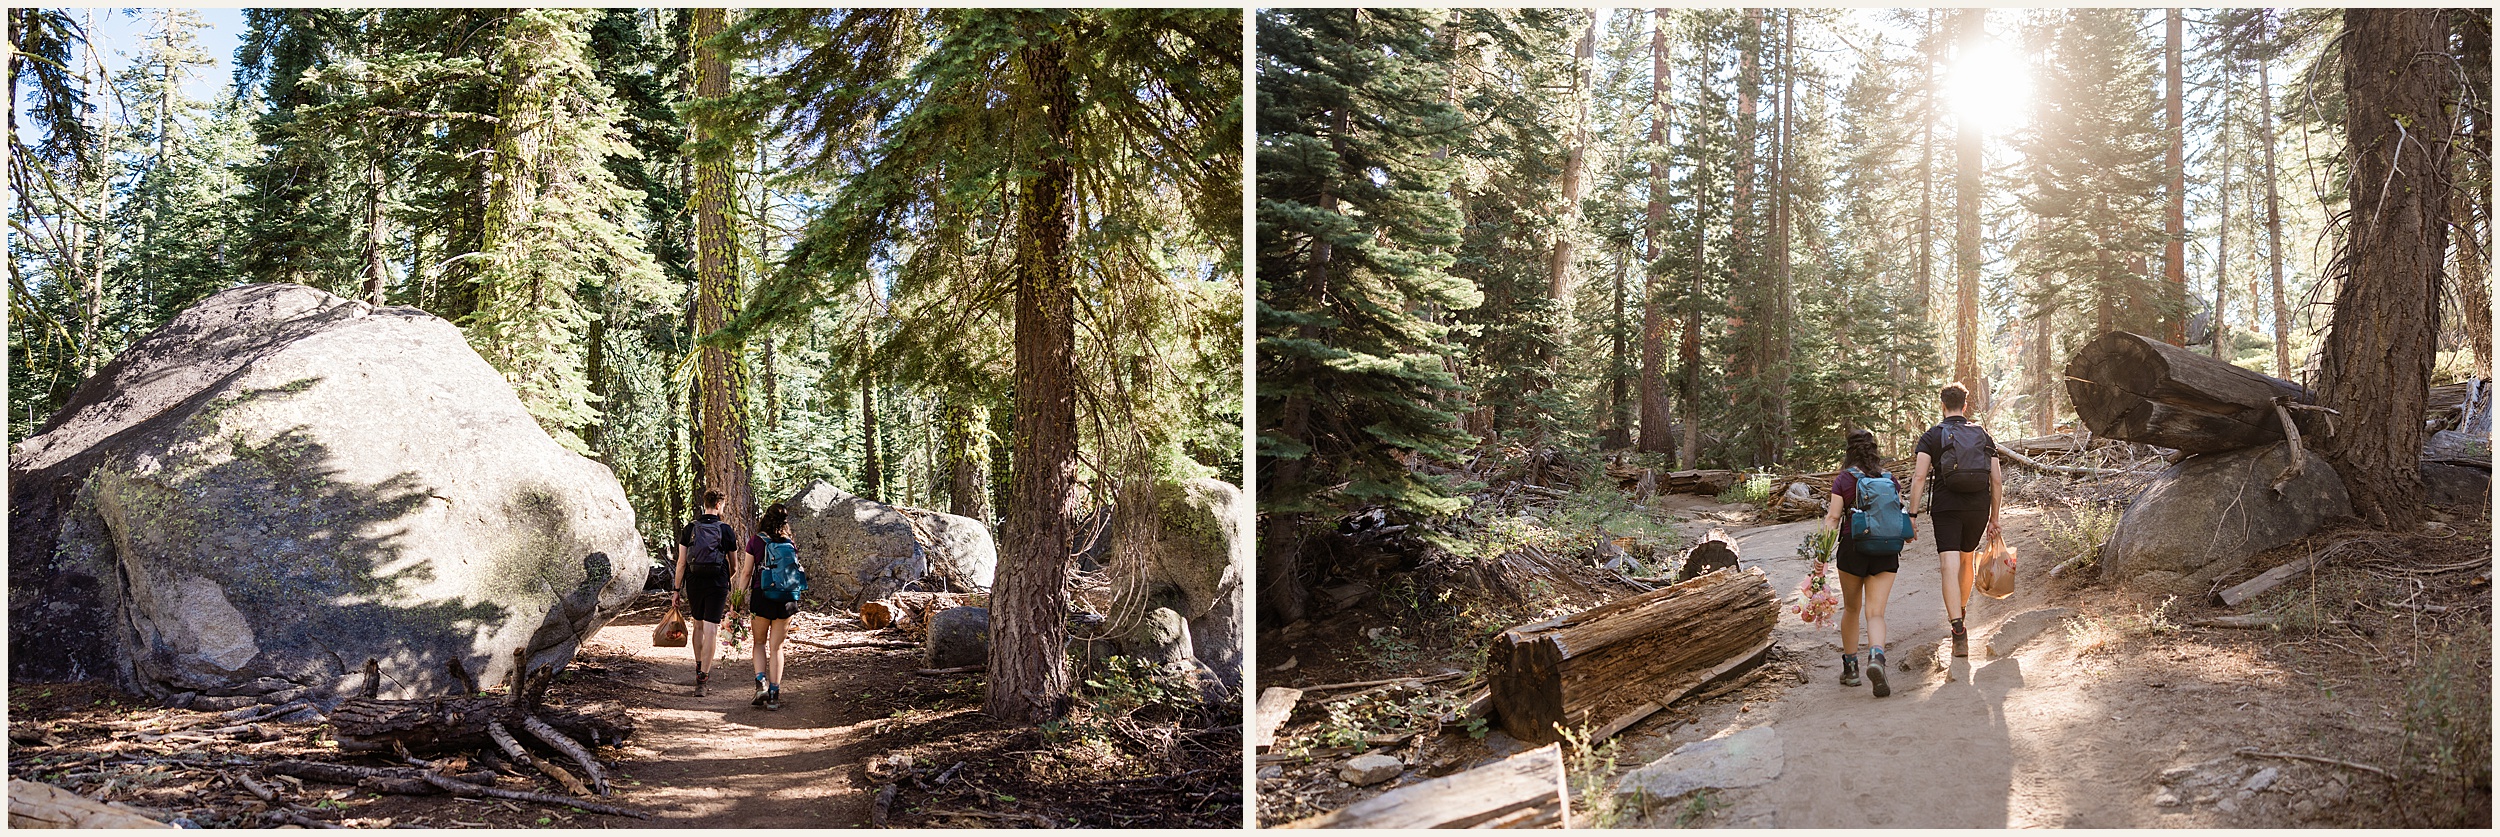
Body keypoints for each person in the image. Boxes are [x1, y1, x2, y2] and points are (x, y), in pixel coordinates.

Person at [1906, 382, 2004, 658]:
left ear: (1942, 405)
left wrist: (1912, 515)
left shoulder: (1931, 436)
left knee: (1948, 565)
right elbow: (1996, 479)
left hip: (1946, 507)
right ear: (1965, 405)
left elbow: (1919, 477)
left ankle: (1958, 629)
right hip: (1978, 506)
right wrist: (1994, 518)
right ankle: (1960, 610)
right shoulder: (1982, 435)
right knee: (1966, 559)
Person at [1822, 429, 1903, 697]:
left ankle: (1851, 669)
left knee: (1852, 609)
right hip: (1886, 550)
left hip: (1853, 550)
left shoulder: (1844, 479)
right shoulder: (1890, 479)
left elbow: (1834, 518)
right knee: (1876, 613)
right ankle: (1877, 658)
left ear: (1849, 452)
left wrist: (1822, 553)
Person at [674, 489, 740, 695]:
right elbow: (735, 566)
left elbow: (681, 563)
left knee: (699, 625)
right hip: (717, 582)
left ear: (705, 504)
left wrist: (676, 590)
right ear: (719, 505)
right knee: (712, 628)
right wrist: (723, 581)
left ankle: (698, 666)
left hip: (694, 582)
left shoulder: (690, 528)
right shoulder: (726, 530)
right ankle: (703, 679)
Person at [741, 504, 797, 709]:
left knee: (758, 643)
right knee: (777, 647)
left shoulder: (756, 541)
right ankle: (774, 695)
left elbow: (747, 573)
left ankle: (761, 684)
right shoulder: (789, 543)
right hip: (787, 599)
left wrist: (737, 599)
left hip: (762, 596)